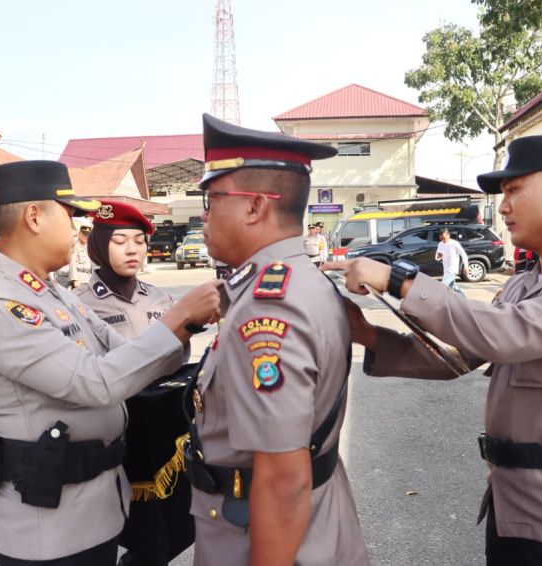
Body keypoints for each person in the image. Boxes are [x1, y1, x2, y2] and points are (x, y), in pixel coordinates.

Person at [325, 135, 542, 566]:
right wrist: (366, 334)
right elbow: (460, 355)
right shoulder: (522, 283)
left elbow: (505, 334)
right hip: (513, 508)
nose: (504, 205)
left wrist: (399, 280)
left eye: (513, 190)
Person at [0, 160, 221, 566]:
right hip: (49, 531)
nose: (79, 229)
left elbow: (122, 353)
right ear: (34, 217)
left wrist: (186, 326)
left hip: (93, 512)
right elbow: (97, 383)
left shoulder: (52, 293)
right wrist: (178, 317)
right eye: (71, 215)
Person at [185, 113, 369, 565]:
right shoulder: (298, 280)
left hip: (261, 534)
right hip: (307, 523)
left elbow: (283, 480)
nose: (204, 215)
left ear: (254, 206)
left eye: (212, 199)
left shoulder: (270, 304)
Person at [74, 200, 194, 566]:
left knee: (178, 527)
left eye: (139, 241)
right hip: (117, 429)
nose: (132, 250)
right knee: (131, 532)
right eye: (120, 240)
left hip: (166, 432)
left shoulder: (160, 298)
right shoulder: (79, 306)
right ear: (98, 245)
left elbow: (181, 354)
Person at [435, 227, 469, 294]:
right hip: (445, 269)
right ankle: (464, 299)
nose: (442, 239)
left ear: (448, 235)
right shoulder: (440, 244)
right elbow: (437, 256)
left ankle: (437, 302)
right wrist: (439, 256)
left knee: (442, 286)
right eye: (441, 237)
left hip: (452, 269)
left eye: (444, 237)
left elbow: (463, 254)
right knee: (453, 287)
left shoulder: (454, 243)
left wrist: (466, 266)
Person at [66, 221, 94, 289]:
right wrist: (75, 279)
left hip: (88, 278)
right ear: (80, 234)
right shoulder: (75, 246)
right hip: (79, 278)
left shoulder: (88, 247)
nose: (86, 237)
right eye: (84, 234)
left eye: (88, 235)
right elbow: (72, 264)